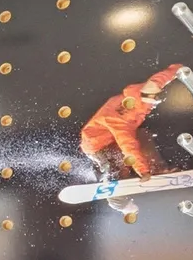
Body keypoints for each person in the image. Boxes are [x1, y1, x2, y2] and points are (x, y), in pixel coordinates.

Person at [78, 65, 185, 213]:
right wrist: (143, 171)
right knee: (117, 168)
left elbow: (158, 81)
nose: (155, 104)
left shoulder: (139, 93)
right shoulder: (121, 121)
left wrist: (177, 69)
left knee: (143, 136)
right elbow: (128, 146)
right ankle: (120, 203)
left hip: (111, 137)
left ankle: (157, 169)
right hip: (97, 146)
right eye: (154, 101)